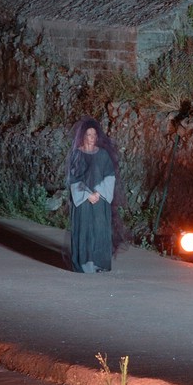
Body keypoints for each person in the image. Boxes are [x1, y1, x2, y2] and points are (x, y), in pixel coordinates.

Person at [65, 116, 128, 273]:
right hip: (83, 200)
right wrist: (87, 195)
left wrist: (98, 193)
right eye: (88, 135)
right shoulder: (77, 155)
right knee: (84, 230)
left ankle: (99, 264)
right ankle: (84, 264)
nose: (91, 138)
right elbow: (73, 179)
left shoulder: (103, 155)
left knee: (100, 229)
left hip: (100, 199)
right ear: (83, 136)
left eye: (94, 135)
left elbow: (109, 176)